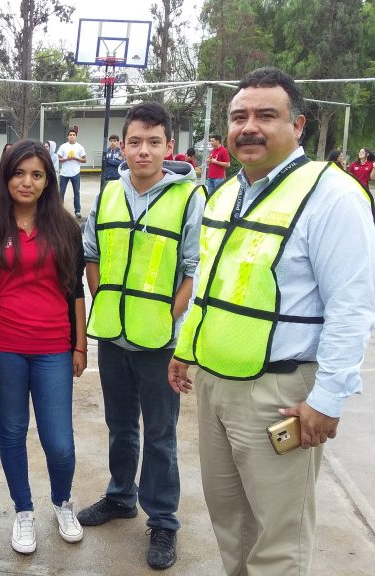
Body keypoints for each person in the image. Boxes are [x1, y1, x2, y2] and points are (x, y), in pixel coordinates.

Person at [168, 67, 375, 576]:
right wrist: (185, 347)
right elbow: (212, 284)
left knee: (278, 539)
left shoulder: (334, 196)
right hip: (215, 384)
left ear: (298, 124)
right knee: (229, 522)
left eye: (266, 115)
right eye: (239, 117)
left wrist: (327, 399)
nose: (249, 127)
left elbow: (352, 306)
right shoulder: (225, 193)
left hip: (281, 392)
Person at [79, 101, 205, 571]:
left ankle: (164, 521)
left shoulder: (188, 197)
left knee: (160, 434)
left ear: (168, 147)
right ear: (122, 146)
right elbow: (90, 252)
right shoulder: (109, 193)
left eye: (154, 142)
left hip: (159, 343)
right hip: (113, 336)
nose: (143, 150)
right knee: (120, 426)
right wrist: (104, 300)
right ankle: (120, 497)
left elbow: (193, 270)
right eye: (135, 142)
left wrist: (170, 325)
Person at [0, 139, 87, 555]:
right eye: (19, 173)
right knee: (12, 430)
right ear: (5, 177)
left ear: (48, 181)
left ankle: (62, 502)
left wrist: (80, 345)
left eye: (37, 174)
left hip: (52, 347)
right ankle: (23, 510)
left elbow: (74, 288)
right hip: (1, 343)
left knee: (59, 440)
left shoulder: (64, 225)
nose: (27, 182)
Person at [57, 128, 87, 218]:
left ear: (76, 137)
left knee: (76, 193)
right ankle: (59, 210)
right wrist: (66, 159)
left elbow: (85, 159)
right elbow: (58, 158)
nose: (72, 137)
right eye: (70, 135)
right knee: (61, 192)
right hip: (64, 173)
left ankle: (77, 211)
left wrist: (76, 158)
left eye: (74, 135)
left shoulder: (80, 147)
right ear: (67, 136)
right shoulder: (63, 146)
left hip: (75, 173)